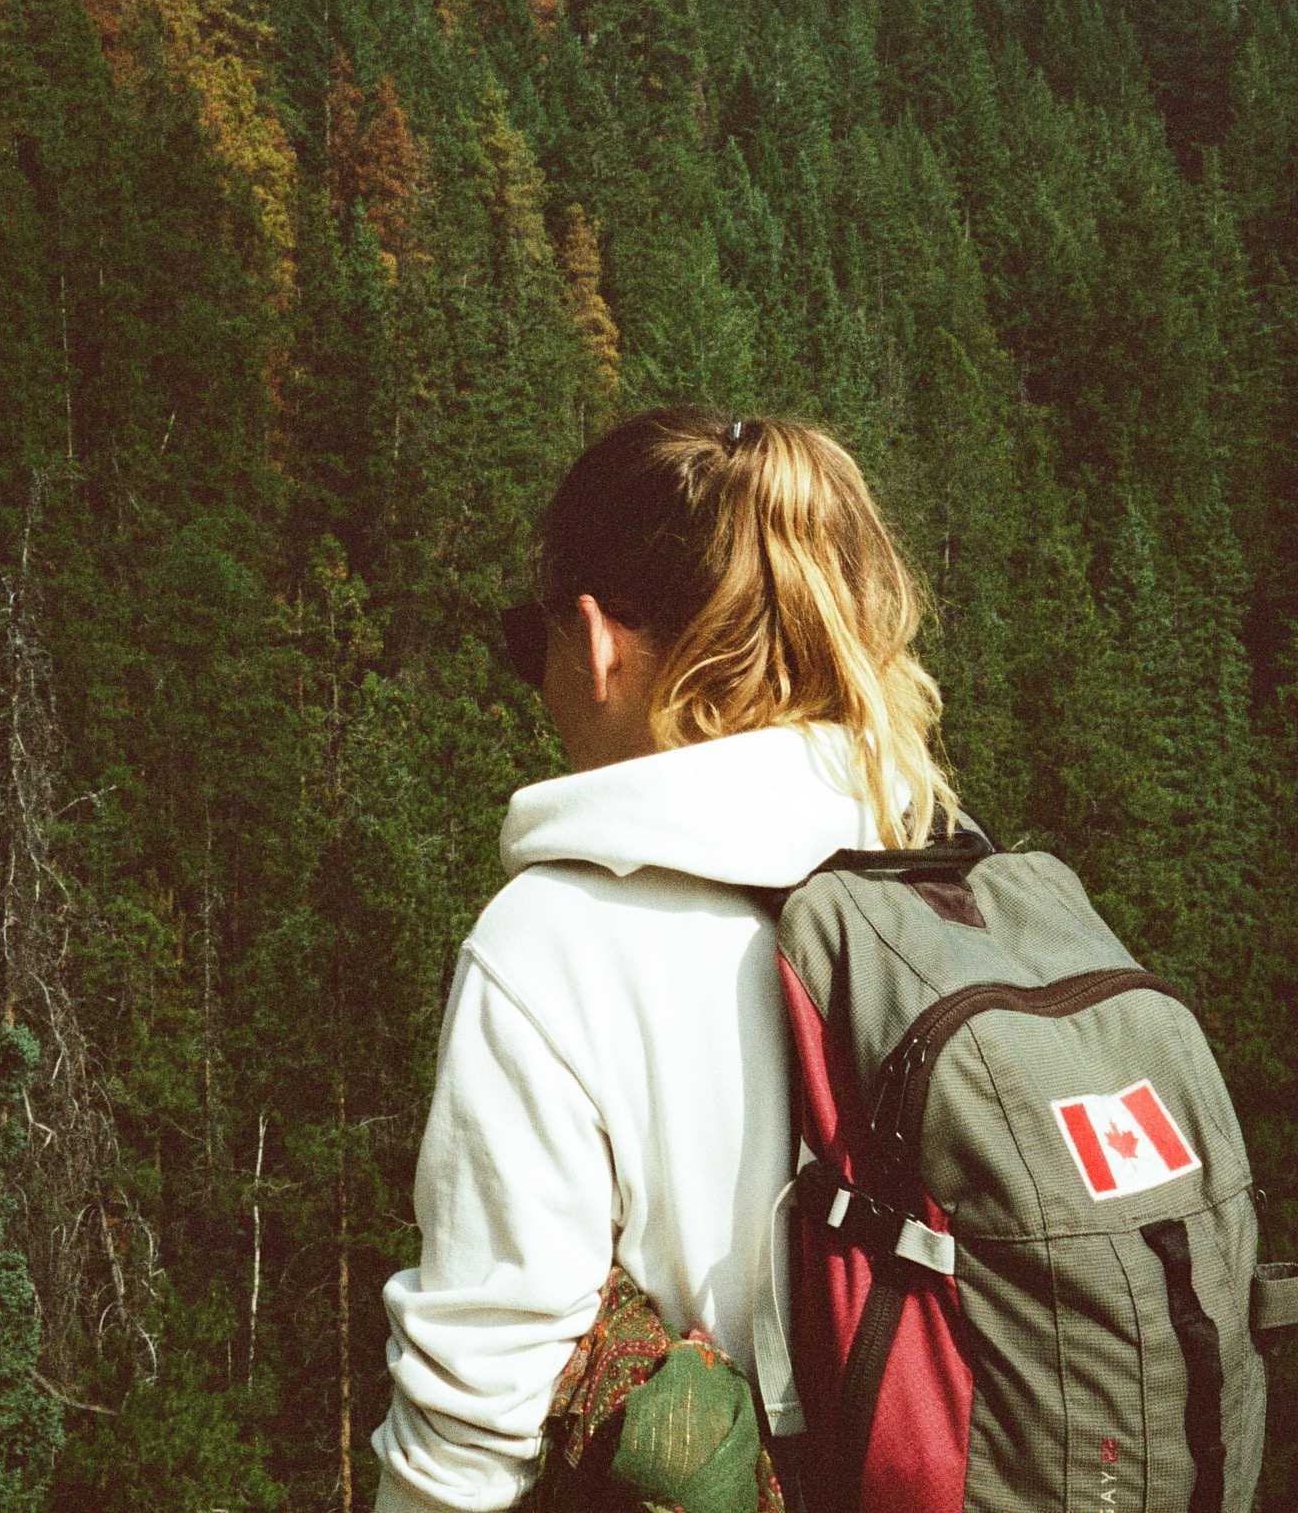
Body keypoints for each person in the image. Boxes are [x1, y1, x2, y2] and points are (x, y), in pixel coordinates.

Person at [368, 406, 963, 1512]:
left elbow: (468, 1417)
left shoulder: (550, 945)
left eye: (526, 639)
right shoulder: (933, 876)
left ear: (596, 640)